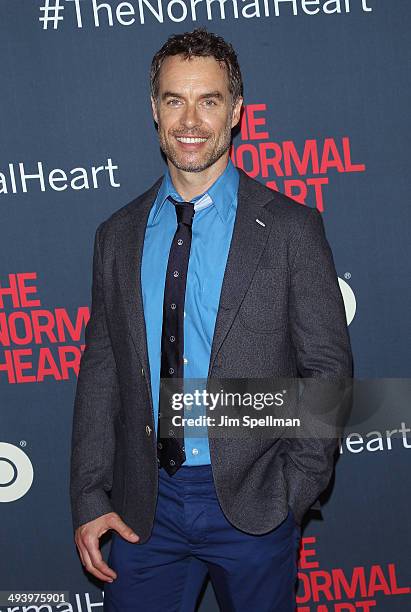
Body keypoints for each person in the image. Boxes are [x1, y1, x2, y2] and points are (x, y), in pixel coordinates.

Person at [70, 27, 353, 612]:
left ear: (237, 111)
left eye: (209, 99)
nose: (190, 119)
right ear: (155, 109)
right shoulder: (116, 237)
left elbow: (326, 370)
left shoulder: (292, 229)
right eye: (175, 99)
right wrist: (90, 497)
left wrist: (290, 493)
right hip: (143, 509)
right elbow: (101, 373)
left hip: (253, 505)